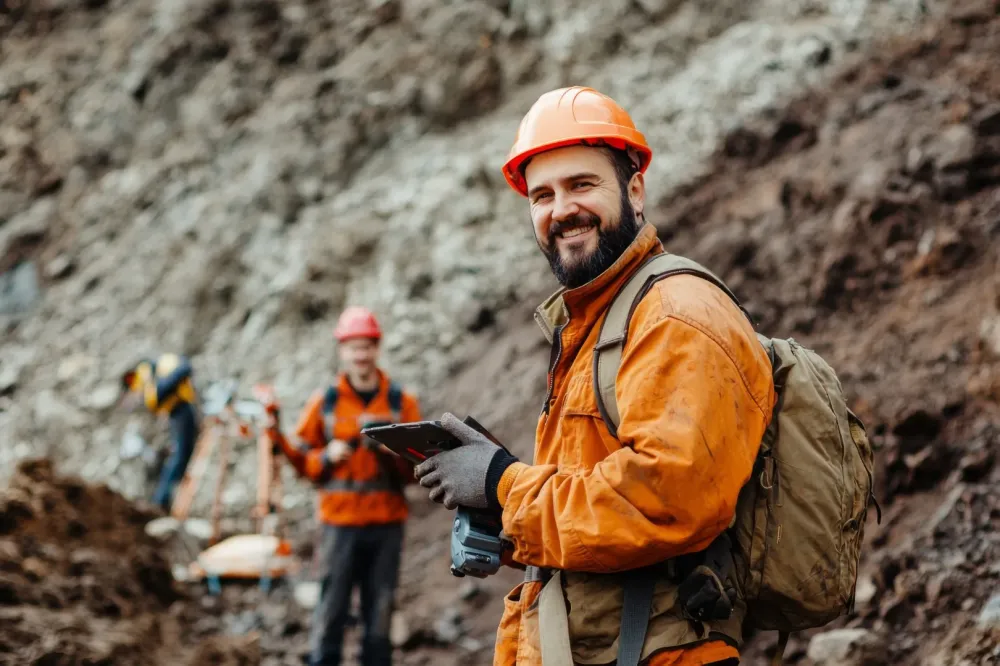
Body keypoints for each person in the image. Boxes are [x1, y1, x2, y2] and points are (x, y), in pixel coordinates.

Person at [412, 87, 777, 666]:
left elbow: (666, 500)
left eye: (582, 185)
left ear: (634, 188)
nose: (561, 210)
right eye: (542, 195)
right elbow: (593, 513)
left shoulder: (673, 315)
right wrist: (498, 509)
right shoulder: (598, 322)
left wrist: (505, 483)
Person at [265, 306, 421, 666]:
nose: (361, 355)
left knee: (380, 609)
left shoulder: (400, 403)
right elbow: (304, 461)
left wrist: (388, 452)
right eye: (354, 347)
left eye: (366, 346)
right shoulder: (325, 402)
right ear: (342, 351)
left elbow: (419, 468)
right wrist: (326, 457)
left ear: (376, 349)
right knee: (331, 606)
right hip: (339, 525)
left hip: (386, 525)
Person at [120, 353, 199, 511]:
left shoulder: (147, 373)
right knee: (180, 455)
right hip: (179, 410)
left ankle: (163, 499)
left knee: (180, 455)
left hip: (178, 409)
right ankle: (161, 500)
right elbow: (157, 395)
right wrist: (182, 370)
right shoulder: (147, 380)